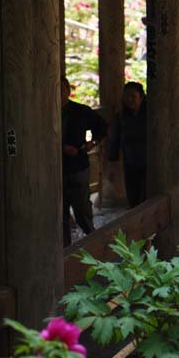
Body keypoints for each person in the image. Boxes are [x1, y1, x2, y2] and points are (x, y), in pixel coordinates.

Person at [61, 76, 107, 246]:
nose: (58, 93)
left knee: (82, 208)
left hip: (77, 166)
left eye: (61, 89)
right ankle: (64, 250)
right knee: (59, 213)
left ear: (68, 91)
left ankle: (93, 243)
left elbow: (102, 127)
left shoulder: (81, 111)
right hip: (53, 169)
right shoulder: (44, 112)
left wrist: (92, 142)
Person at [107, 82, 147, 208]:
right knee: (133, 197)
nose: (129, 100)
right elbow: (114, 141)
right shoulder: (121, 117)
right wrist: (112, 164)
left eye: (133, 96)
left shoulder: (151, 114)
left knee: (146, 195)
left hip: (149, 162)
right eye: (126, 96)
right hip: (130, 162)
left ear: (141, 97)